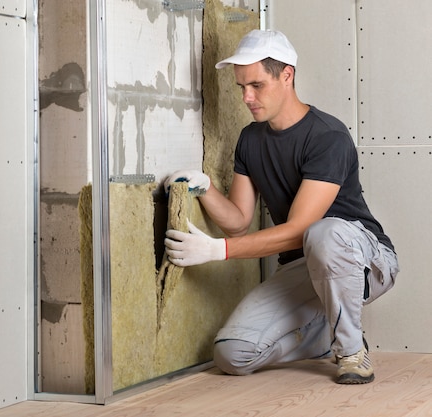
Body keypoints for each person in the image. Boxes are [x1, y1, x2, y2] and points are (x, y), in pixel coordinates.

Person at [163, 29, 399, 384]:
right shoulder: (251, 139)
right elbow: (239, 222)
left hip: (362, 258)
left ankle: (351, 353)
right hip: (305, 263)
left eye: (256, 85)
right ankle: (322, 337)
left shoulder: (327, 137)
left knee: (323, 233)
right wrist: (206, 188)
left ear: (286, 75)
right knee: (232, 353)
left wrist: (217, 250)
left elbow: (299, 229)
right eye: (241, 86)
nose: (246, 97)